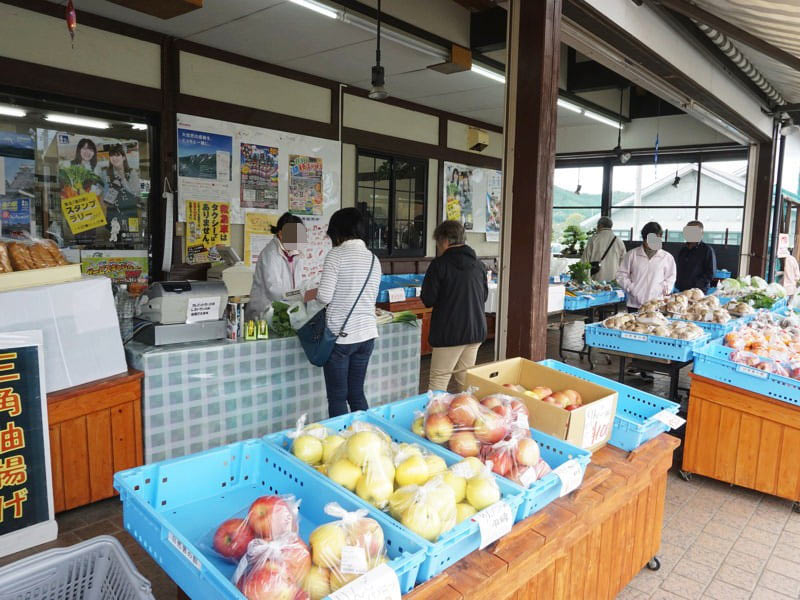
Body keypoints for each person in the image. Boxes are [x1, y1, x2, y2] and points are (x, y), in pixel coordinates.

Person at [316, 208, 381, 417]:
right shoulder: (373, 259)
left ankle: (342, 443)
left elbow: (324, 297)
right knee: (356, 393)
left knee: (337, 397)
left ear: (338, 231)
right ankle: (367, 435)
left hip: (341, 337)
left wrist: (311, 295)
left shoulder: (336, 255)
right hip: (367, 335)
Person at [422, 220, 488, 392]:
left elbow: (428, 299)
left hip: (449, 333)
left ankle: (433, 418)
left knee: (438, 382)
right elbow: (484, 296)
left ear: (444, 241)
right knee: (465, 381)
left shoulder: (439, 265)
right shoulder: (479, 265)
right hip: (475, 331)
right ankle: (469, 416)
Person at [245, 212, 306, 321]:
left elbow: (299, 282)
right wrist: (299, 294)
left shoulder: (296, 254)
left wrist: (305, 291)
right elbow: (274, 290)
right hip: (265, 313)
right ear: (281, 234)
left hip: (285, 311)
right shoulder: (271, 254)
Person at [616, 221, 676, 311]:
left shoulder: (666, 257)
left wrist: (663, 290)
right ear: (644, 238)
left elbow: (671, 278)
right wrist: (632, 288)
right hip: (635, 304)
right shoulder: (632, 255)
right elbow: (621, 275)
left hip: (657, 304)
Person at [103, 144, 141, 228]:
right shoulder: (106, 174)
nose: (114, 158)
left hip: (131, 213)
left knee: (132, 237)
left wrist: (123, 180)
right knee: (115, 238)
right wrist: (114, 188)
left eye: (117, 155)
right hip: (113, 215)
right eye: (111, 155)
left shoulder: (131, 172)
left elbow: (137, 193)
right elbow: (106, 200)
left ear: (123, 157)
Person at [675, 220, 716, 293]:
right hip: (681, 290)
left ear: (701, 233)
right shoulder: (683, 250)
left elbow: (710, 273)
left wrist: (697, 286)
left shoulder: (707, 250)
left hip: (698, 292)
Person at [582, 216, 626, 282]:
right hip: (613, 279)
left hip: (596, 278)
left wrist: (585, 279)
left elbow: (585, 260)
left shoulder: (593, 239)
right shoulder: (619, 241)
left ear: (600, 225)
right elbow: (624, 262)